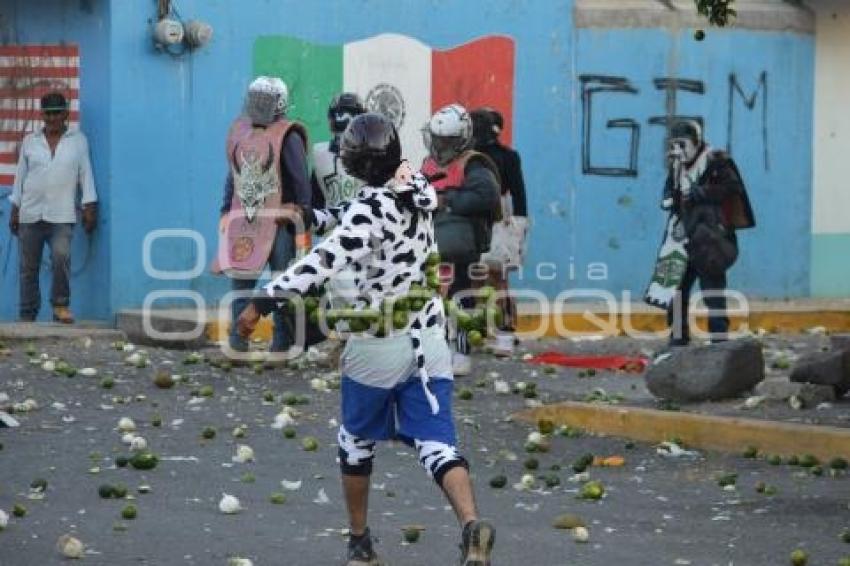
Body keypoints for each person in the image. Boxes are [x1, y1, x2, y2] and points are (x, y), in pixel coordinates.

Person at [237, 113, 495, 566]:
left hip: (379, 344)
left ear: (354, 164)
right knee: (437, 444)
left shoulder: (370, 207)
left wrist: (264, 299)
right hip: (430, 339)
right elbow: (361, 216)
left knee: (355, 442)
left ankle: (360, 544)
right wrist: (313, 215)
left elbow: (326, 259)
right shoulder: (413, 183)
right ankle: (472, 526)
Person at [217, 76, 312, 353]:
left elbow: (299, 179)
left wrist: (301, 213)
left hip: (279, 223)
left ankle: (281, 342)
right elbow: (235, 175)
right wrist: (226, 209)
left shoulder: (288, 135)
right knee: (241, 281)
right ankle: (237, 340)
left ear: (278, 104)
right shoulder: (241, 133)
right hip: (245, 220)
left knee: (281, 283)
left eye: (265, 101)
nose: (259, 106)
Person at [656, 120, 755, 346]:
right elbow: (670, 189)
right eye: (673, 145)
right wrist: (669, 199)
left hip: (709, 239)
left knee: (712, 292)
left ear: (696, 142)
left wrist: (701, 193)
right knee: (676, 289)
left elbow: (733, 187)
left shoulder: (716, 161)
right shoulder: (676, 165)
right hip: (681, 237)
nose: (677, 150)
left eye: (682, 144)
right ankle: (678, 338)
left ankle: (719, 341)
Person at [421, 104, 501, 376]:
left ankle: (462, 351)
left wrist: (448, 200)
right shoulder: (429, 164)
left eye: (448, 141)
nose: (441, 146)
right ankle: (438, 350)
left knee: (461, 299)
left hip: (460, 246)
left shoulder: (473, 163)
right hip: (431, 244)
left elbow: (486, 196)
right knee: (432, 302)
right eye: (438, 140)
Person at [8, 92, 98, 323]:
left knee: (60, 258)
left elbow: (85, 174)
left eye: (57, 113)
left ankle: (60, 306)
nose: (52, 118)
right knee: (28, 268)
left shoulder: (78, 140)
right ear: (42, 115)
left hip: (61, 214)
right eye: (48, 114)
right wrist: (15, 209)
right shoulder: (30, 141)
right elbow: (20, 178)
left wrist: (90, 205)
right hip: (30, 213)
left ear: (66, 113)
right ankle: (27, 313)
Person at [471, 107, 528, 340]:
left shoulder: (470, 158)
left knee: (474, 276)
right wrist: (519, 226)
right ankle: (505, 328)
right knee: (499, 277)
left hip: (474, 217)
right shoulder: (509, 156)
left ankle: (478, 327)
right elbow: (519, 194)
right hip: (501, 219)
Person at [311, 92, 366, 209]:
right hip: (363, 223)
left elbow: (314, 202)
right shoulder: (374, 154)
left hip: (332, 223)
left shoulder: (319, 153)